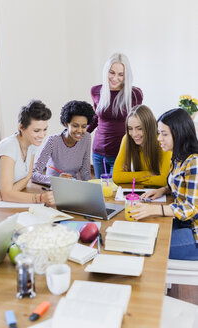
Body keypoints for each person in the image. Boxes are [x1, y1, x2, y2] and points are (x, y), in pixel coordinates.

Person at [132, 108, 198, 260]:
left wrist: (154, 209)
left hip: (193, 233)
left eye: (164, 134)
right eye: (159, 132)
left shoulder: (194, 162)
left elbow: (191, 208)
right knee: (144, 232)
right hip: (182, 223)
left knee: (145, 246)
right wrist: (164, 190)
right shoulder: (178, 156)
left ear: (179, 133)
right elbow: (182, 184)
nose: (158, 138)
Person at [0, 100, 53, 216]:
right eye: (36, 130)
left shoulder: (32, 144)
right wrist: (40, 198)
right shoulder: (9, 147)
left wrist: (3, 192)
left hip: (2, 199)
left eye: (45, 129)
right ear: (22, 127)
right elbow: (8, 194)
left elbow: (27, 176)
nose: (42, 135)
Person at [87, 53, 143, 178]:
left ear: (126, 75)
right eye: (111, 72)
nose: (115, 78)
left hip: (121, 153)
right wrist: (80, 133)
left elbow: (139, 123)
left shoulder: (135, 94)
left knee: (115, 192)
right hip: (98, 152)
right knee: (101, 192)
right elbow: (96, 117)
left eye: (120, 74)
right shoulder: (96, 91)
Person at [31, 100, 94, 186]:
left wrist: (90, 188)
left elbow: (85, 172)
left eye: (84, 126)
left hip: (73, 186)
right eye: (75, 126)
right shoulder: (53, 141)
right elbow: (34, 175)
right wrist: (57, 180)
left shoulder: (86, 137)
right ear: (66, 124)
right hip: (53, 188)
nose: (80, 130)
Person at [113, 105, 172, 186]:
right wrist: (149, 174)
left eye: (139, 128)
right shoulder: (127, 139)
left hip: (160, 193)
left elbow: (164, 180)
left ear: (149, 127)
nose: (134, 134)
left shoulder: (161, 141)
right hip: (142, 191)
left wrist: (131, 177)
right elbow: (116, 176)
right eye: (130, 128)